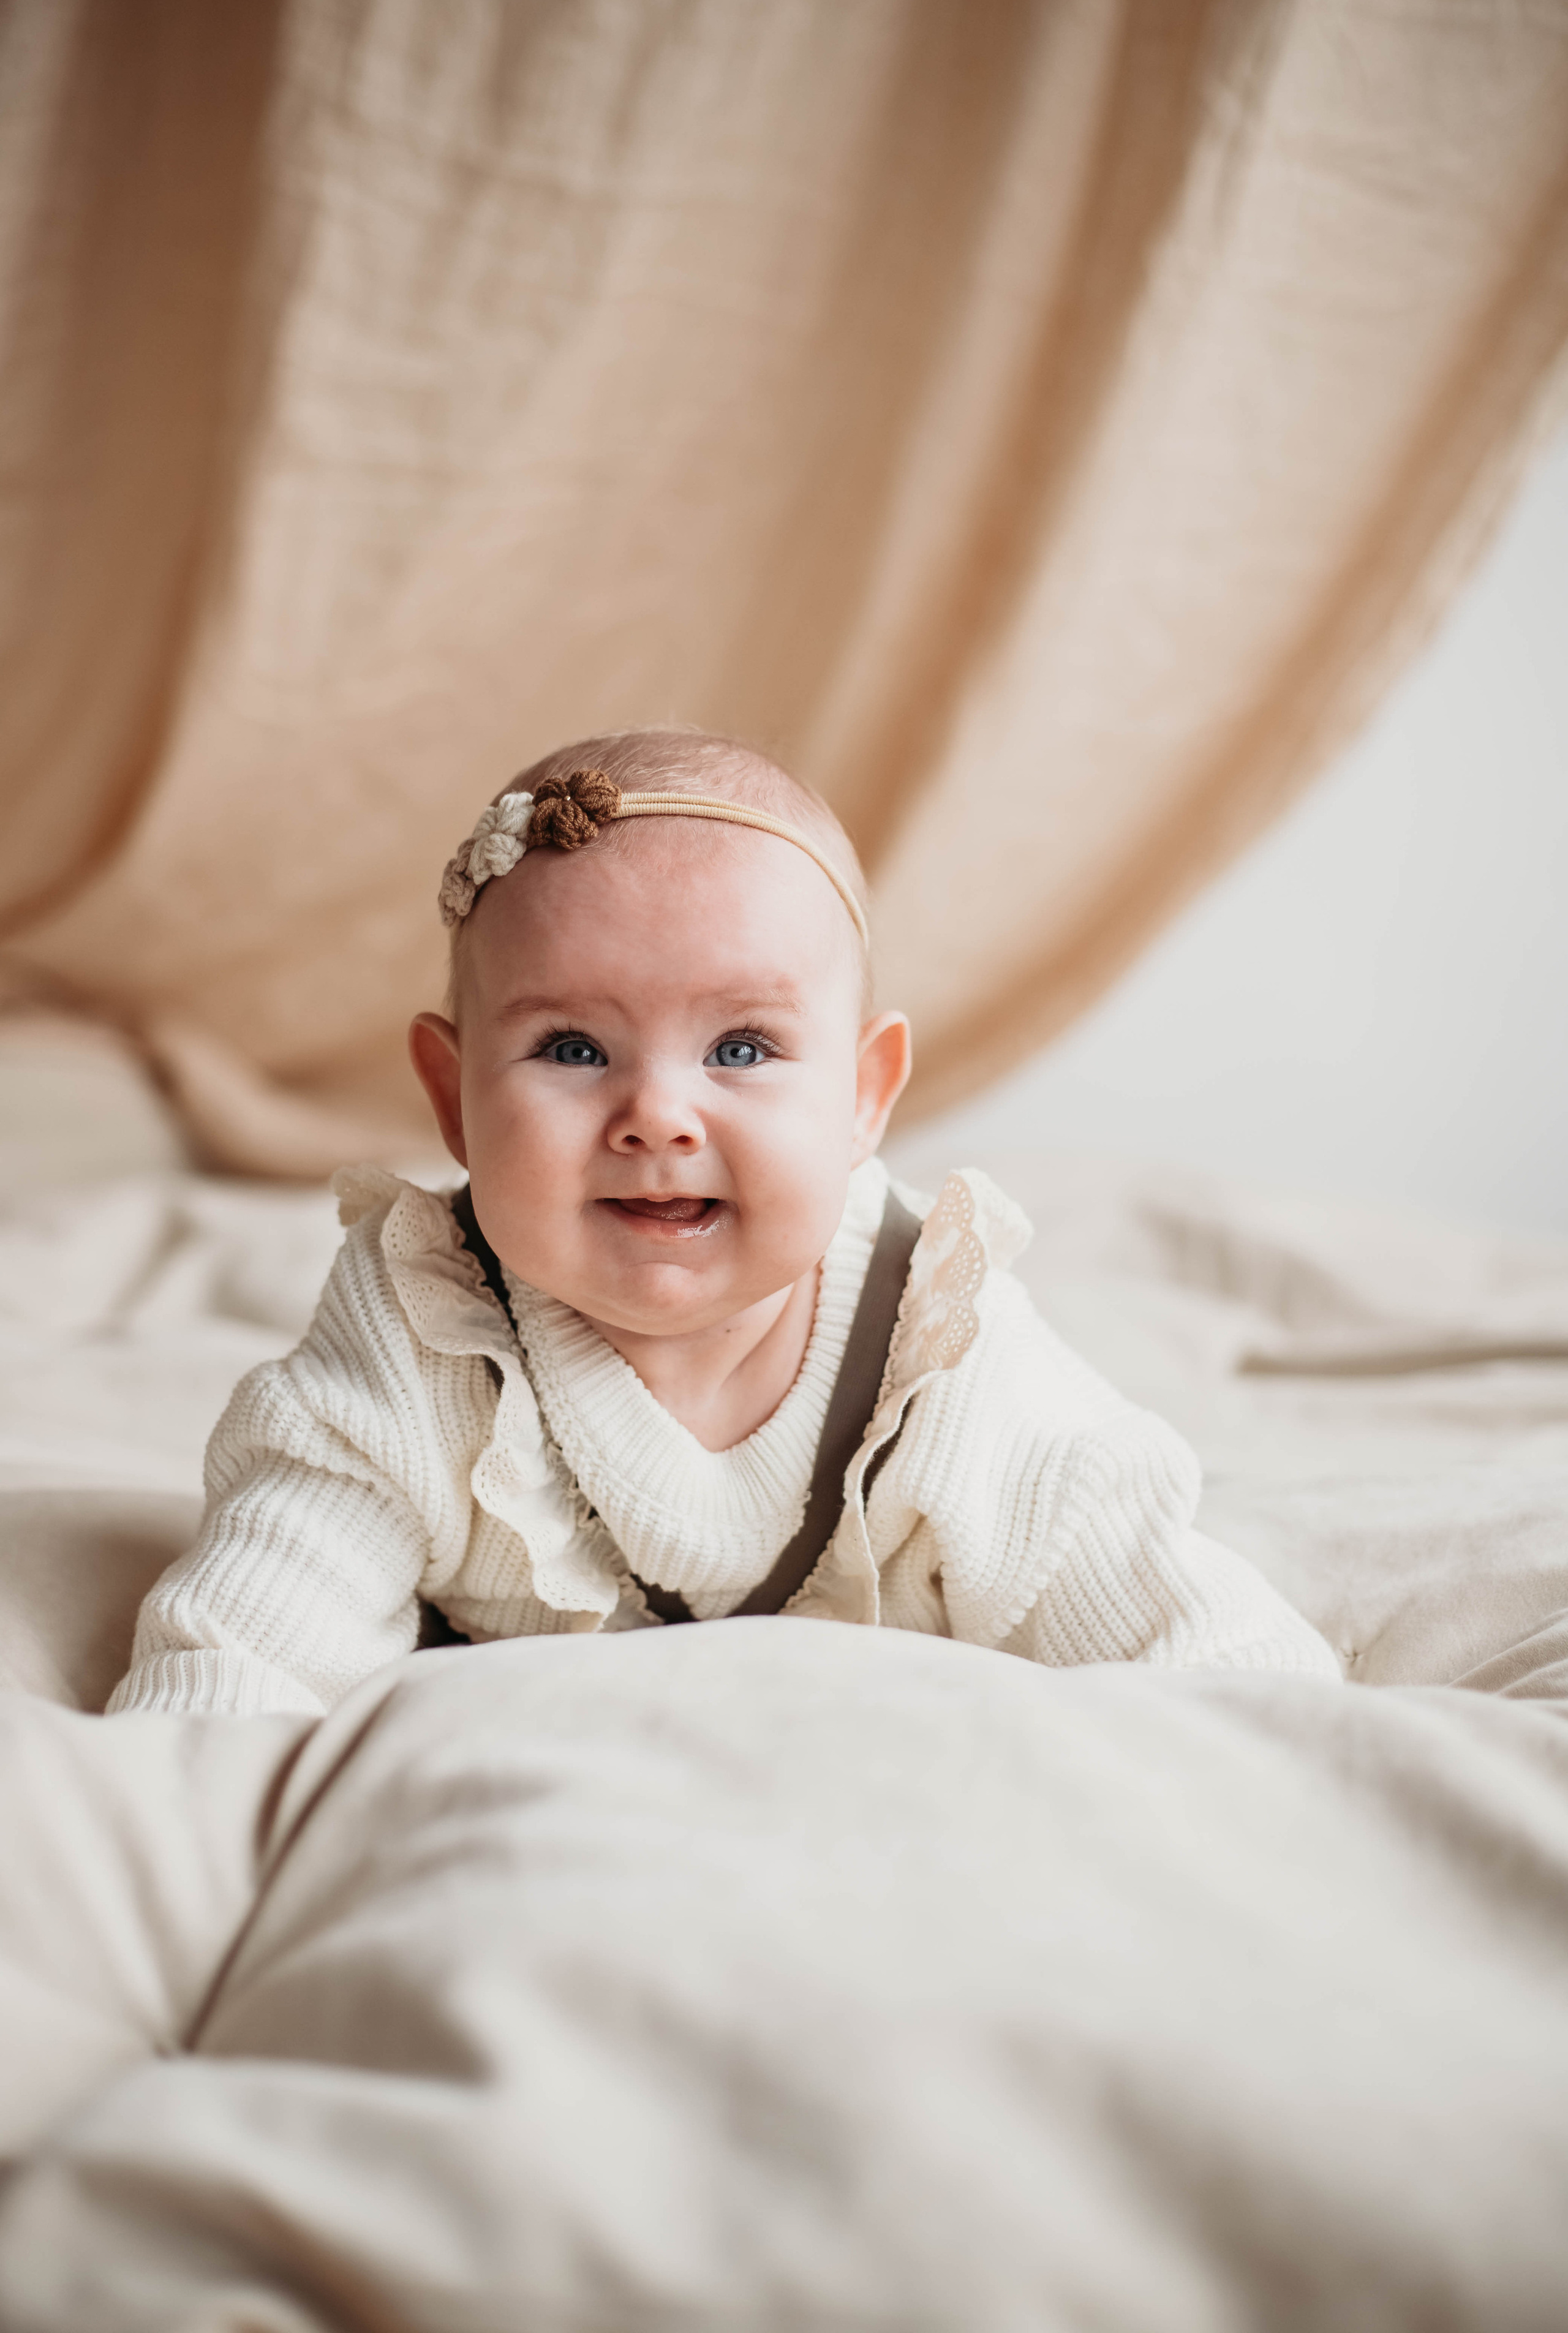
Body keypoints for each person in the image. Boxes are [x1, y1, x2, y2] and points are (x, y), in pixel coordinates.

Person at [108, 728, 1341, 1715]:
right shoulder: (421, 1329)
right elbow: (249, 1647)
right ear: (452, 1098)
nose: (655, 1115)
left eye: (740, 1047)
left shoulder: (937, 1347)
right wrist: (182, 1821)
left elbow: (1184, 1631)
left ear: (864, 1096)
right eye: (573, 1047)